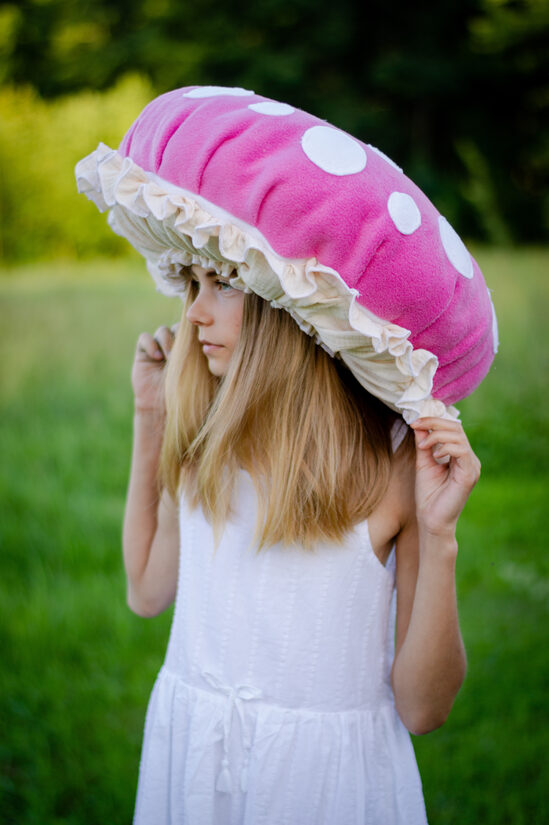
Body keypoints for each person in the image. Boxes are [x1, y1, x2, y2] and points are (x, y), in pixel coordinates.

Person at [75, 85, 496, 824]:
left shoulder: (393, 469)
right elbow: (146, 589)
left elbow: (424, 706)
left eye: (224, 286)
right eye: (192, 283)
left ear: (295, 314)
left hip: (326, 788)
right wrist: (153, 418)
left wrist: (439, 533)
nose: (194, 310)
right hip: (198, 770)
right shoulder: (208, 436)